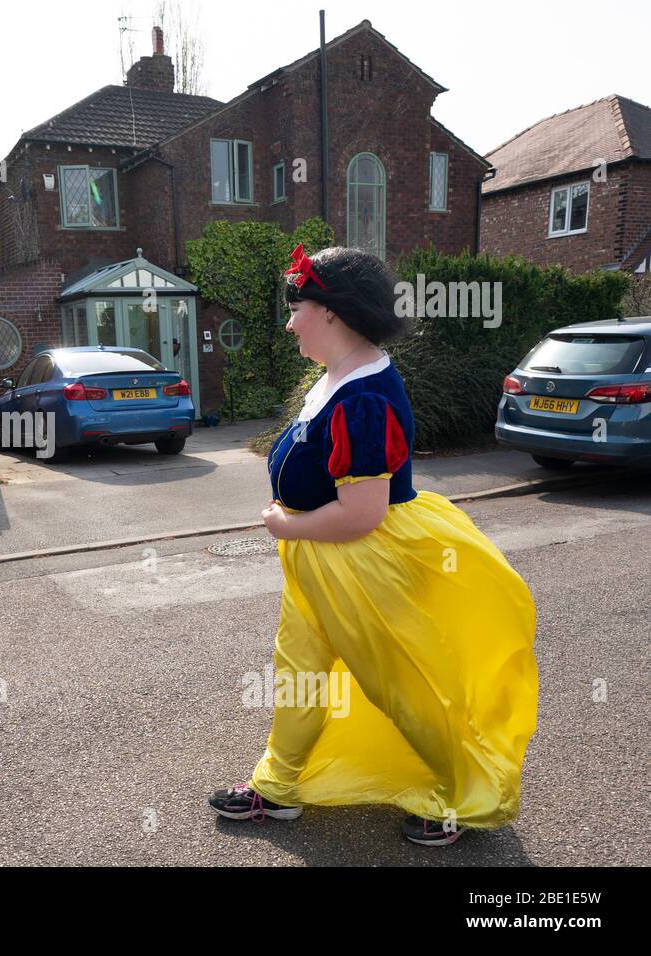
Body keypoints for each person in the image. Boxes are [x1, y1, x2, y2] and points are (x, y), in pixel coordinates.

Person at [209, 245, 538, 846]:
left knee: (404, 686)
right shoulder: (338, 379)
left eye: (297, 308)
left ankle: (465, 797)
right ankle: (278, 787)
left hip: (363, 560)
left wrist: (286, 526)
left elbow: (362, 513)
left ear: (331, 312)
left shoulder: (363, 398)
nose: (289, 323)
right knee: (300, 673)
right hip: (321, 559)